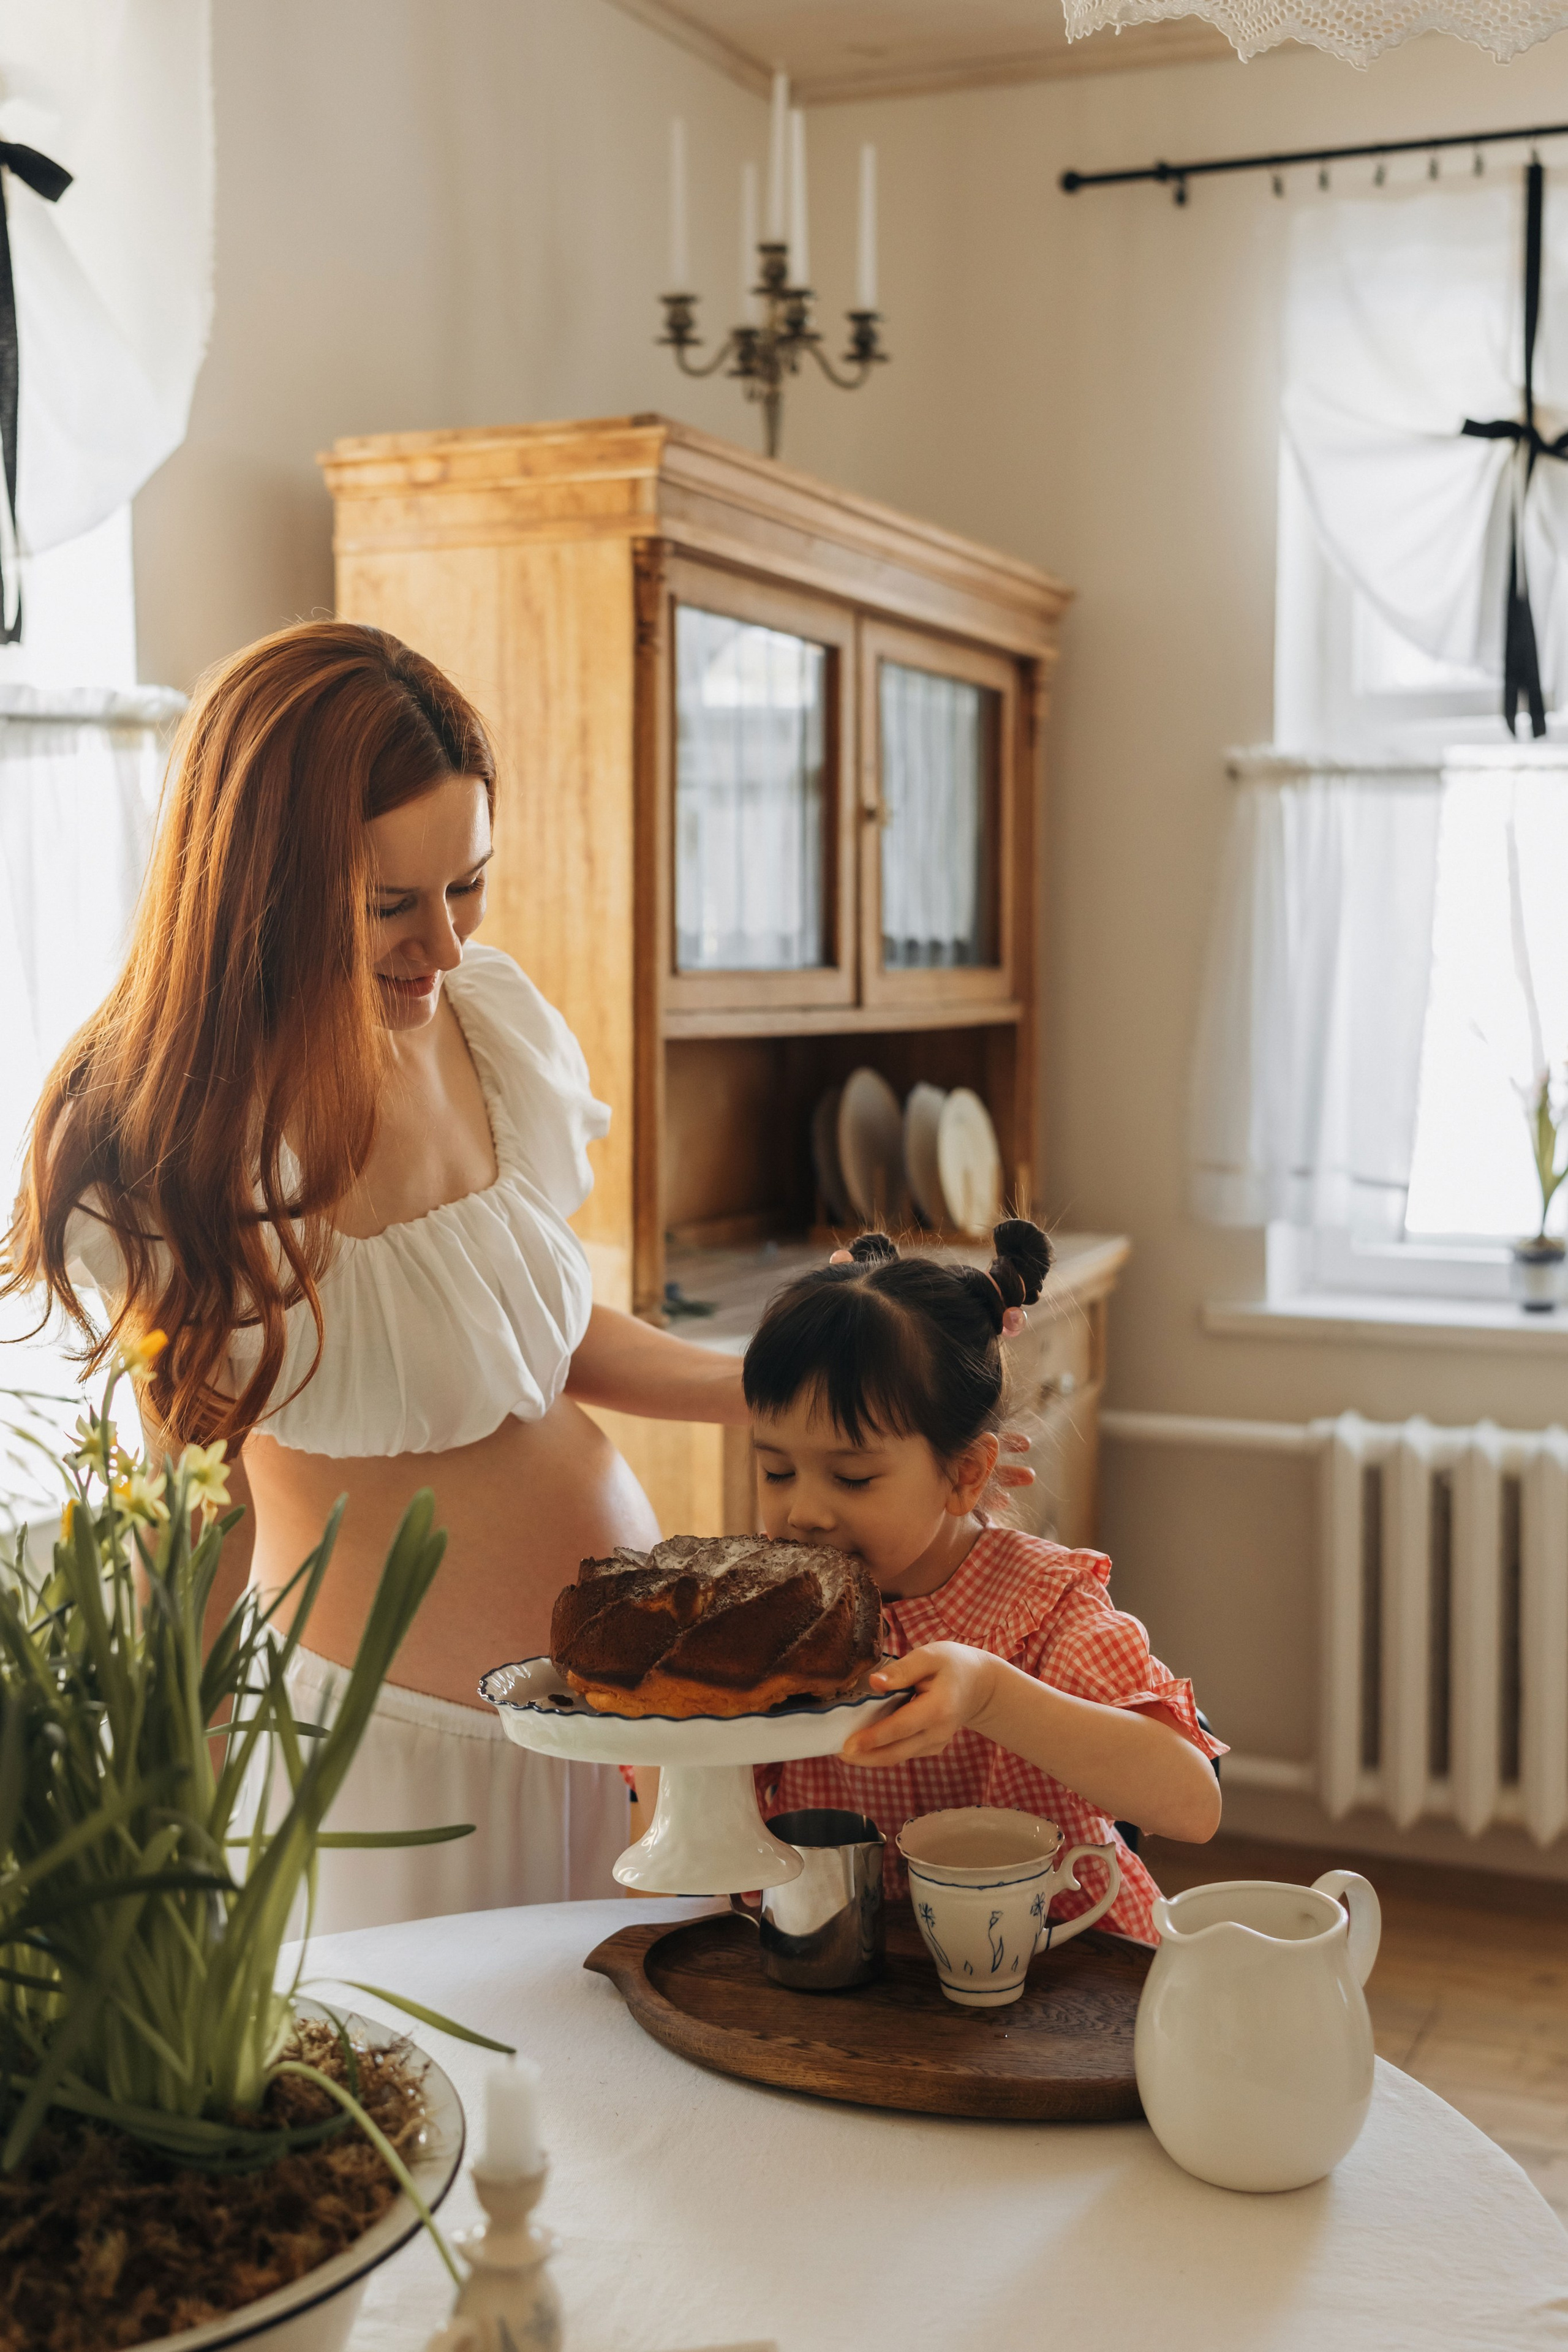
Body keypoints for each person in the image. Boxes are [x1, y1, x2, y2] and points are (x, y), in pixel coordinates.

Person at [2, 619, 753, 1931]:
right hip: (384, 1778)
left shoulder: (482, 1022)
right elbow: (195, 1503)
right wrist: (167, 1796)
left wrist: (773, 1392)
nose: (445, 946)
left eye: (468, 885)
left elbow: (531, 1326)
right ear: (261, 890)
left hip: (620, 1731)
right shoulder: (164, 1138)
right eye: (390, 906)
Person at [742, 1222, 1223, 1943]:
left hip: (1052, 1978)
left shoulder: (1039, 1603)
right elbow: (685, 1831)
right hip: (839, 1972)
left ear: (965, 1472)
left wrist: (991, 1694)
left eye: (851, 1476)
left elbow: (1192, 1805)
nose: (803, 1513)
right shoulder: (763, 1618)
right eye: (776, 1470)